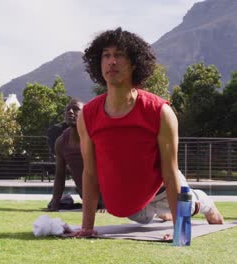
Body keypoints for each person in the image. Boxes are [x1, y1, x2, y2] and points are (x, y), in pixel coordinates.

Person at [71, 28, 223, 238]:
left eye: (119, 55)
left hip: (161, 189)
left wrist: (181, 231)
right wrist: (87, 227)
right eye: (106, 55)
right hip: (131, 207)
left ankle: (204, 201)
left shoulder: (160, 112)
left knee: (186, 204)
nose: (111, 61)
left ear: (134, 63)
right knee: (139, 215)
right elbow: (89, 173)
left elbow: (170, 174)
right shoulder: (87, 115)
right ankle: (163, 214)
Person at [48, 98, 104, 211]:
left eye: (75, 109)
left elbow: (110, 171)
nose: (70, 112)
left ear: (86, 114)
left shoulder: (96, 138)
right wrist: (54, 204)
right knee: (55, 204)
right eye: (67, 109)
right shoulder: (61, 142)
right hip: (87, 197)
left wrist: (104, 204)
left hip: (107, 196)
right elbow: (59, 176)